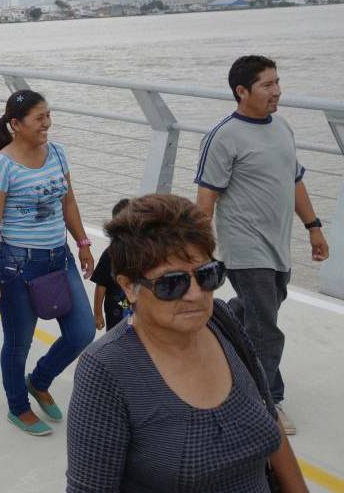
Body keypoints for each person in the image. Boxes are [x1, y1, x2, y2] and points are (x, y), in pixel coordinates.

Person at [67, 194, 307, 492]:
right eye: (172, 283)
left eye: (207, 275)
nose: (196, 295)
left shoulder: (222, 321)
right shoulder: (106, 370)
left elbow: (270, 420)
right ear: (129, 287)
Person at [194, 55, 328, 435]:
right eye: (267, 85)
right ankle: (267, 402)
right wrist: (198, 252)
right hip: (244, 247)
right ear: (242, 91)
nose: (277, 91)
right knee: (267, 327)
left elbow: (294, 180)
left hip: (277, 246)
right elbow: (206, 198)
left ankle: (221, 326)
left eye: (277, 82)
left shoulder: (282, 128)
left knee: (257, 312)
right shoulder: (223, 136)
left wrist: (313, 227)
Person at [0, 89, 95, 437]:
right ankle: (18, 406)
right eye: (39, 118)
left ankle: (40, 380)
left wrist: (83, 243)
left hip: (59, 258)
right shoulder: (1, 166)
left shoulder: (57, 153)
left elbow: (68, 202)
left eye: (48, 115)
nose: (47, 124)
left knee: (82, 332)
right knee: (19, 344)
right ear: (16, 124)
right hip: (17, 266)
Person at [90, 198, 132, 332]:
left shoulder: (145, 253)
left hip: (138, 310)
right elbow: (101, 284)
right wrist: (97, 314)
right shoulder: (109, 255)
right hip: (115, 311)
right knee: (116, 337)